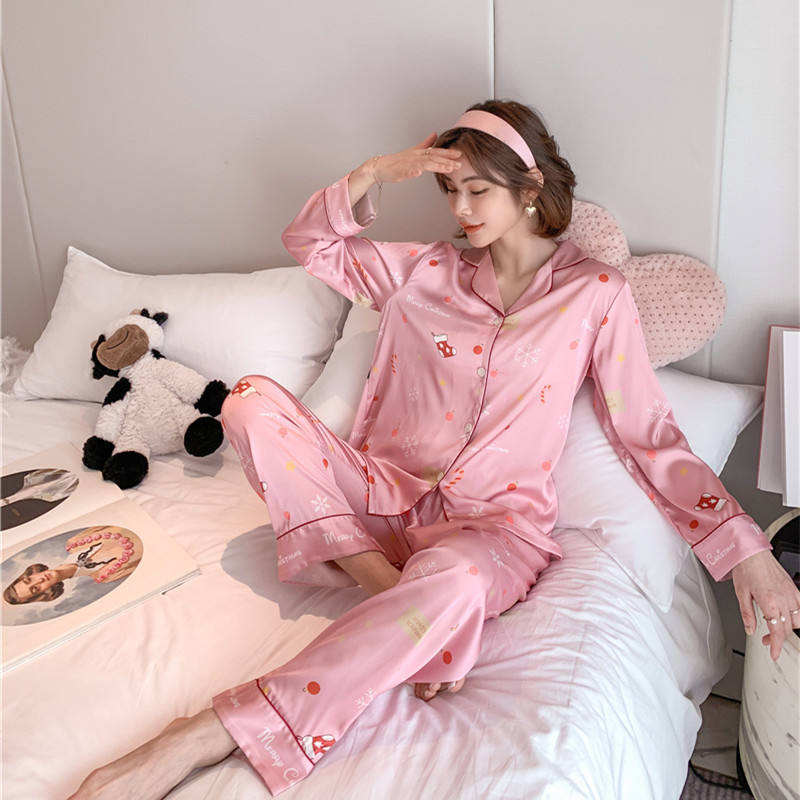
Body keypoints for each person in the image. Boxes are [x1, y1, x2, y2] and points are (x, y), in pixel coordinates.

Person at [68, 99, 800, 799]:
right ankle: (387, 589)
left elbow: (648, 434)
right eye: (450, 190)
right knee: (249, 399)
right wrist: (376, 173)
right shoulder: (423, 271)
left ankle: (205, 735)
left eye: (478, 190)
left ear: (531, 188)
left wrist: (747, 550)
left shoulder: (594, 295)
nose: (461, 209)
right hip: (376, 500)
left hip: (492, 531)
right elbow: (312, 244)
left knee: (455, 583)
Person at [4, 526, 143, 605]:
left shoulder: (76, 542)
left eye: (29, 579)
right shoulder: (107, 576)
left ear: (32, 573)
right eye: (35, 588)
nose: (39, 580)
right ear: (45, 593)